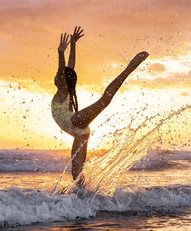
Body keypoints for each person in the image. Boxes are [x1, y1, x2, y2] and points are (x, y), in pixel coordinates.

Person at [51, 26, 149, 181]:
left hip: (75, 122)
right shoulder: (67, 90)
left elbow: (64, 69)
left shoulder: (62, 89)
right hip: (80, 133)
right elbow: (70, 67)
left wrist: (61, 52)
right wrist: (74, 44)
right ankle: (85, 199)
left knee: (105, 100)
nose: (56, 77)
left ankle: (129, 68)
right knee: (77, 176)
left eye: (58, 76)